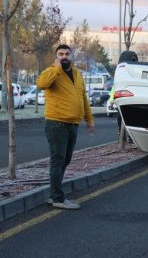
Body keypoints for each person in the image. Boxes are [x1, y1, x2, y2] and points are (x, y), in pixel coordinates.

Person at [37, 44, 95, 209]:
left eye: (67, 54)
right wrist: (56, 69)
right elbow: (41, 84)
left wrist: (89, 120)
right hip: (56, 123)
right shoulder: (51, 72)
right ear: (56, 57)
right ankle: (57, 198)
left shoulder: (77, 74)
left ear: (71, 56)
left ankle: (54, 194)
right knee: (58, 160)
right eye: (60, 54)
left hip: (73, 124)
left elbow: (83, 98)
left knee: (66, 159)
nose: (64, 56)